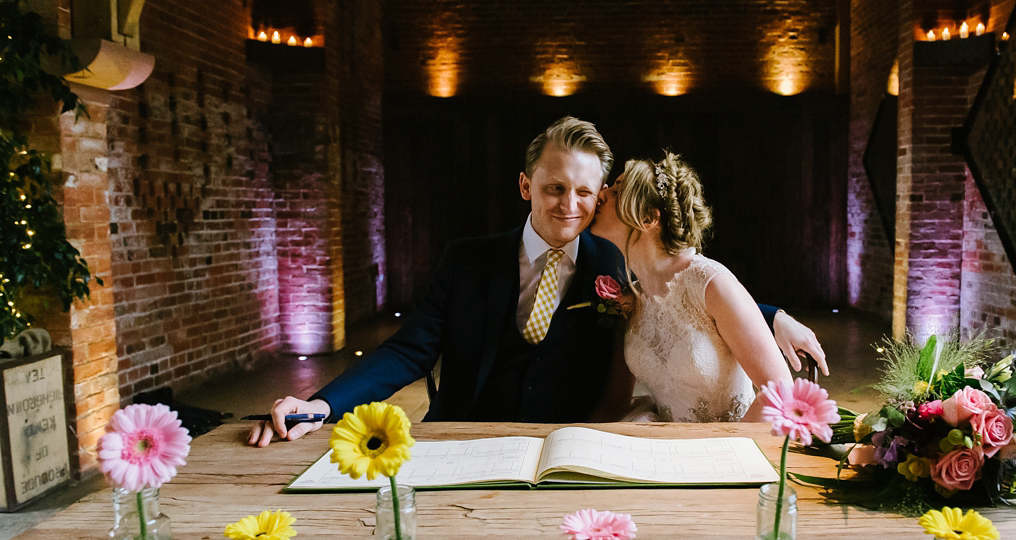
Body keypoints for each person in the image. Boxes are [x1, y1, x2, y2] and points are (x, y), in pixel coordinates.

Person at [249, 117, 827, 446]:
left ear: (601, 196)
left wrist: (772, 315)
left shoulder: (612, 263)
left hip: (565, 445)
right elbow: (409, 348)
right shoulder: (465, 261)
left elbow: (685, 290)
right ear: (526, 186)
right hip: (463, 442)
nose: (570, 206)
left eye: (585, 193)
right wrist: (324, 404)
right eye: (555, 188)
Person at [588, 151, 791, 422]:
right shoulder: (632, 299)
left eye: (617, 189)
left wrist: (726, 455)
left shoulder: (710, 283)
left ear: (648, 218)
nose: (601, 193)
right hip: (666, 447)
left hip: (726, 450)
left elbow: (781, 393)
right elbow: (614, 405)